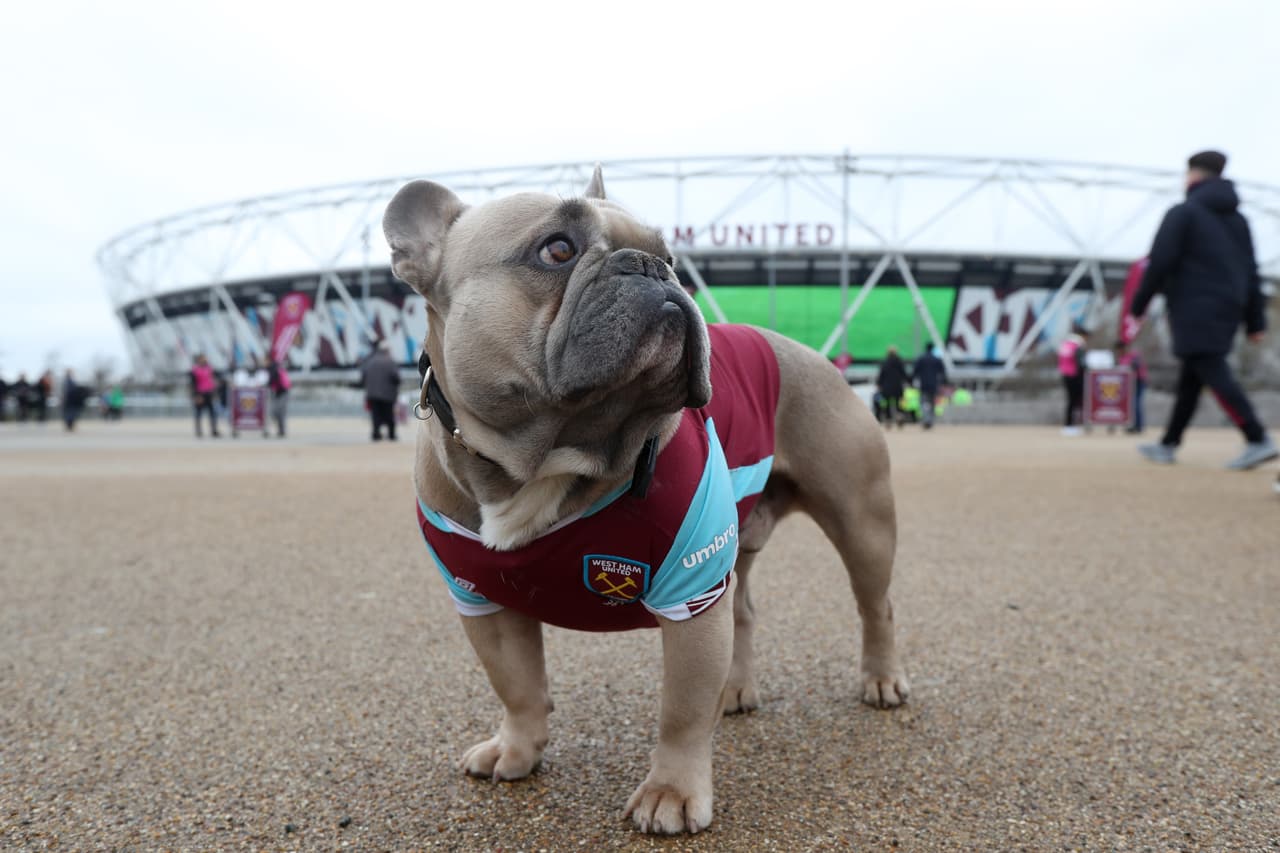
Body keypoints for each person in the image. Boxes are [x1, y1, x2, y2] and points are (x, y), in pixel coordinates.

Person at [1130, 150, 1275, 469]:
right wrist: (1255, 320)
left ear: (1193, 175)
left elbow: (1160, 263)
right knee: (1193, 376)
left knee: (1209, 366)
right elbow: (1251, 272)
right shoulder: (1240, 222)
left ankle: (1257, 437)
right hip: (1229, 306)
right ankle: (1169, 443)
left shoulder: (1183, 213)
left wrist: (1137, 305)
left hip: (1193, 305)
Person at [359, 341, 402, 441]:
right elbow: (396, 378)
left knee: (375, 415)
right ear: (387, 350)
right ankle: (391, 434)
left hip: (372, 394)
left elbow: (363, 377)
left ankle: (376, 434)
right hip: (388, 394)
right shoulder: (390, 362)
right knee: (389, 415)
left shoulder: (370, 361)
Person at [1057, 324, 1087, 436]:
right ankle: (1071, 425)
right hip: (1075, 376)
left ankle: (1068, 425)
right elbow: (1081, 363)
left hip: (1065, 375)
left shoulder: (1065, 344)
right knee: (1075, 401)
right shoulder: (1078, 345)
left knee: (1070, 401)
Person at [1114, 340, 1148, 434]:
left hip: (1138, 381)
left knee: (1136, 403)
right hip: (1129, 383)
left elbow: (1136, 366)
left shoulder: (1134, 355)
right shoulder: (1122, 357)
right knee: (1131, 404)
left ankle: (1138, 426)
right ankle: (1133, 425)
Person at [912, 345, 948, 430]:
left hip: (923, 385)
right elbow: (942, 372)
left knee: (923, 403)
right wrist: (944, 383)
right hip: (934, 385)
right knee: (932, 404)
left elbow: (915, 371)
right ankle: (930, 421)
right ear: (932, 349)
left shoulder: (921, 359)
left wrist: (912, 381)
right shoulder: (936, 360)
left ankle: (926, 419)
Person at [875, 346, 910, 429]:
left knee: (887, 403)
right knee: (899, 402)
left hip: (886, 386)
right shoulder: (900, 362)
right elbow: (904, 374)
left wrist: (879, 384)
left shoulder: (885, 362)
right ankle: (899, 416)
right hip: (897, 386)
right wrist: (908, 381)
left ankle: (888, 419)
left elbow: (882, 375)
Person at [190, 354, 221, 438]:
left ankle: (214, 430)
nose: (204, 360)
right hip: (200, 393)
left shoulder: (210, 368)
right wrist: (196, 395)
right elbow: (193, 384)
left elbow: (214, 380)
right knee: (198, 413)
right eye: (203, 359)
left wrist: (215, 393)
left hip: (209, 393)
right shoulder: (195, 370)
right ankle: (199, 431)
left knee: (212, 413)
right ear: (199, 360)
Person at [266, 358, 291, 438]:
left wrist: (266, 385)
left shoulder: (273, 369)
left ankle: (281, 430)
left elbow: (271, 381)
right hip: (281, 392)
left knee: (278, 412)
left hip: (282, 392)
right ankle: (281, 430)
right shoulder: (276, 368)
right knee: (279, 412)